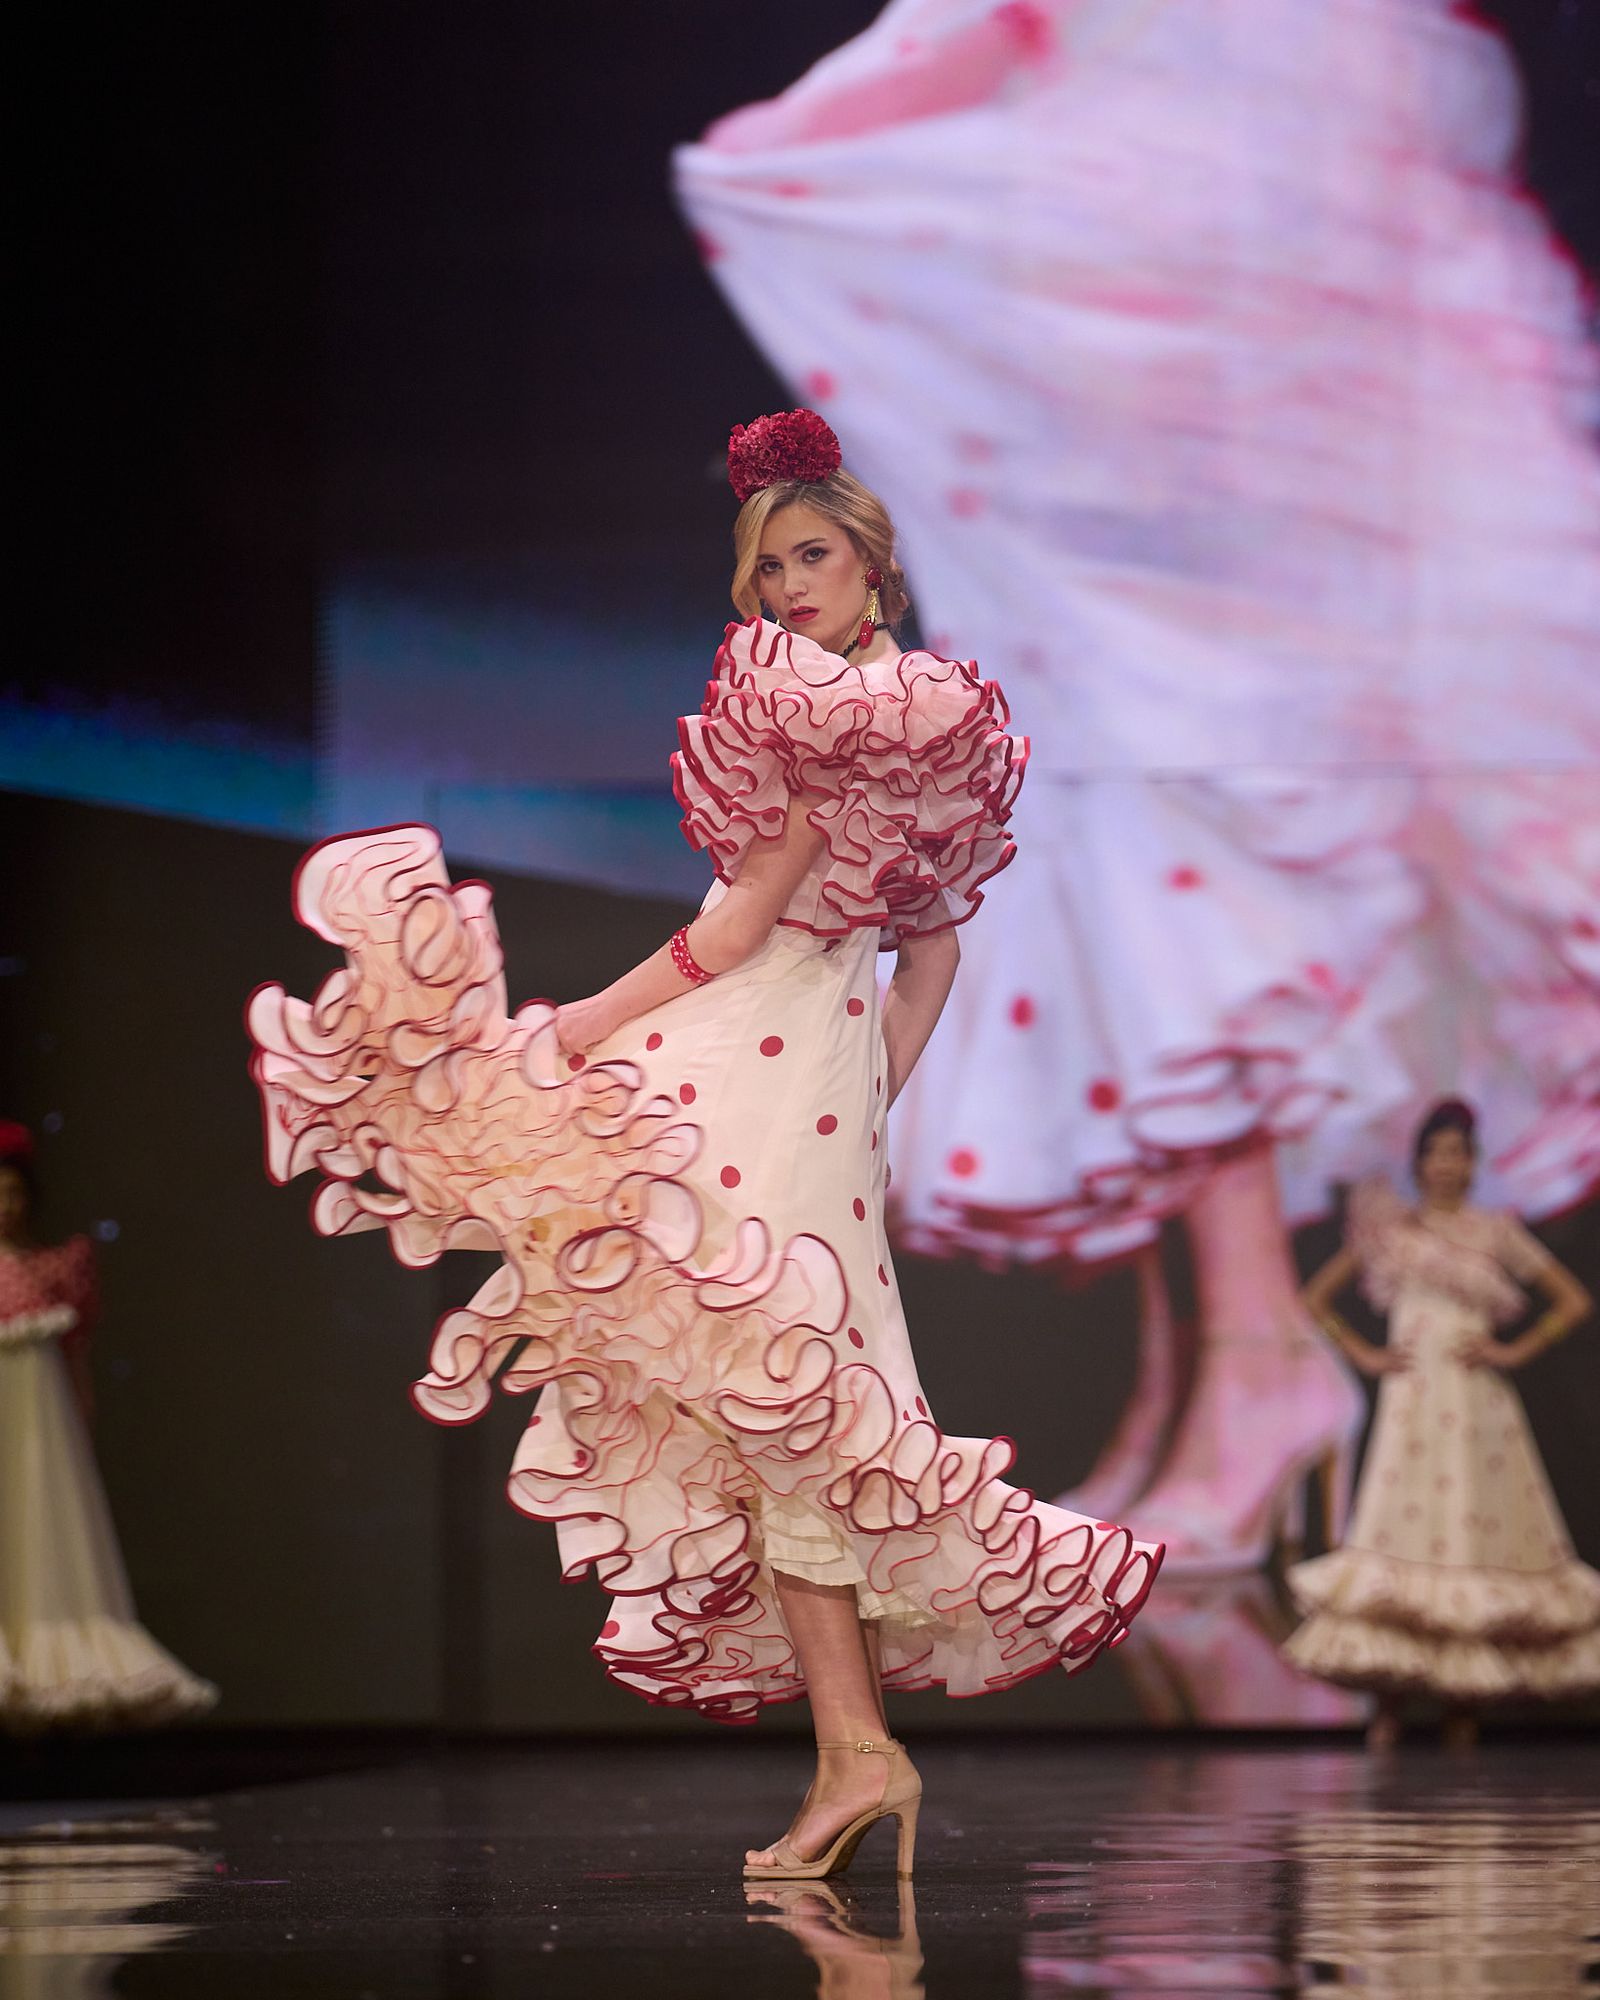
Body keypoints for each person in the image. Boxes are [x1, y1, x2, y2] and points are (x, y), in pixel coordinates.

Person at [247, 410, 1163, 1878]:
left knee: (768, 1393)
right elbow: (921, 959)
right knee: (776, 1410)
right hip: (799, 1075)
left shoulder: (826, 718)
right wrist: (869, 1092)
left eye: (809, 554)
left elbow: (738, 933)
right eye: (764, 566)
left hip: (751, 1058)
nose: (785, 585)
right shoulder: (898, 720)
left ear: (873, 561)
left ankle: (861, 1755)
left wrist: (577, 1028)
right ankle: (856, 1755)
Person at [1284, 1098, 1599, 1747]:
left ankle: (1465, 1700)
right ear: (1419, 1161)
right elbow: (1315, 1298)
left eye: (1458, 1153)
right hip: (1414, 1406)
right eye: (1436, 1153)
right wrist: (1364, 1352)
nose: (1447, 1165)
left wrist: (1516, 1349)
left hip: (1478, 1407)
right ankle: (1391, 1704)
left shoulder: (1494, 1230)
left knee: (1467, 1538)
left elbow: (1572, 1299)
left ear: (1472, 1162)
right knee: (1404, 1537)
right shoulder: (1390, 1229)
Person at [0, 1121, 217, 1730]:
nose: (6, 1207)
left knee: (40, 1534)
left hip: (36, 1433)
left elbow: (74, 1359)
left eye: (14, 1194)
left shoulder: (50, 1270)